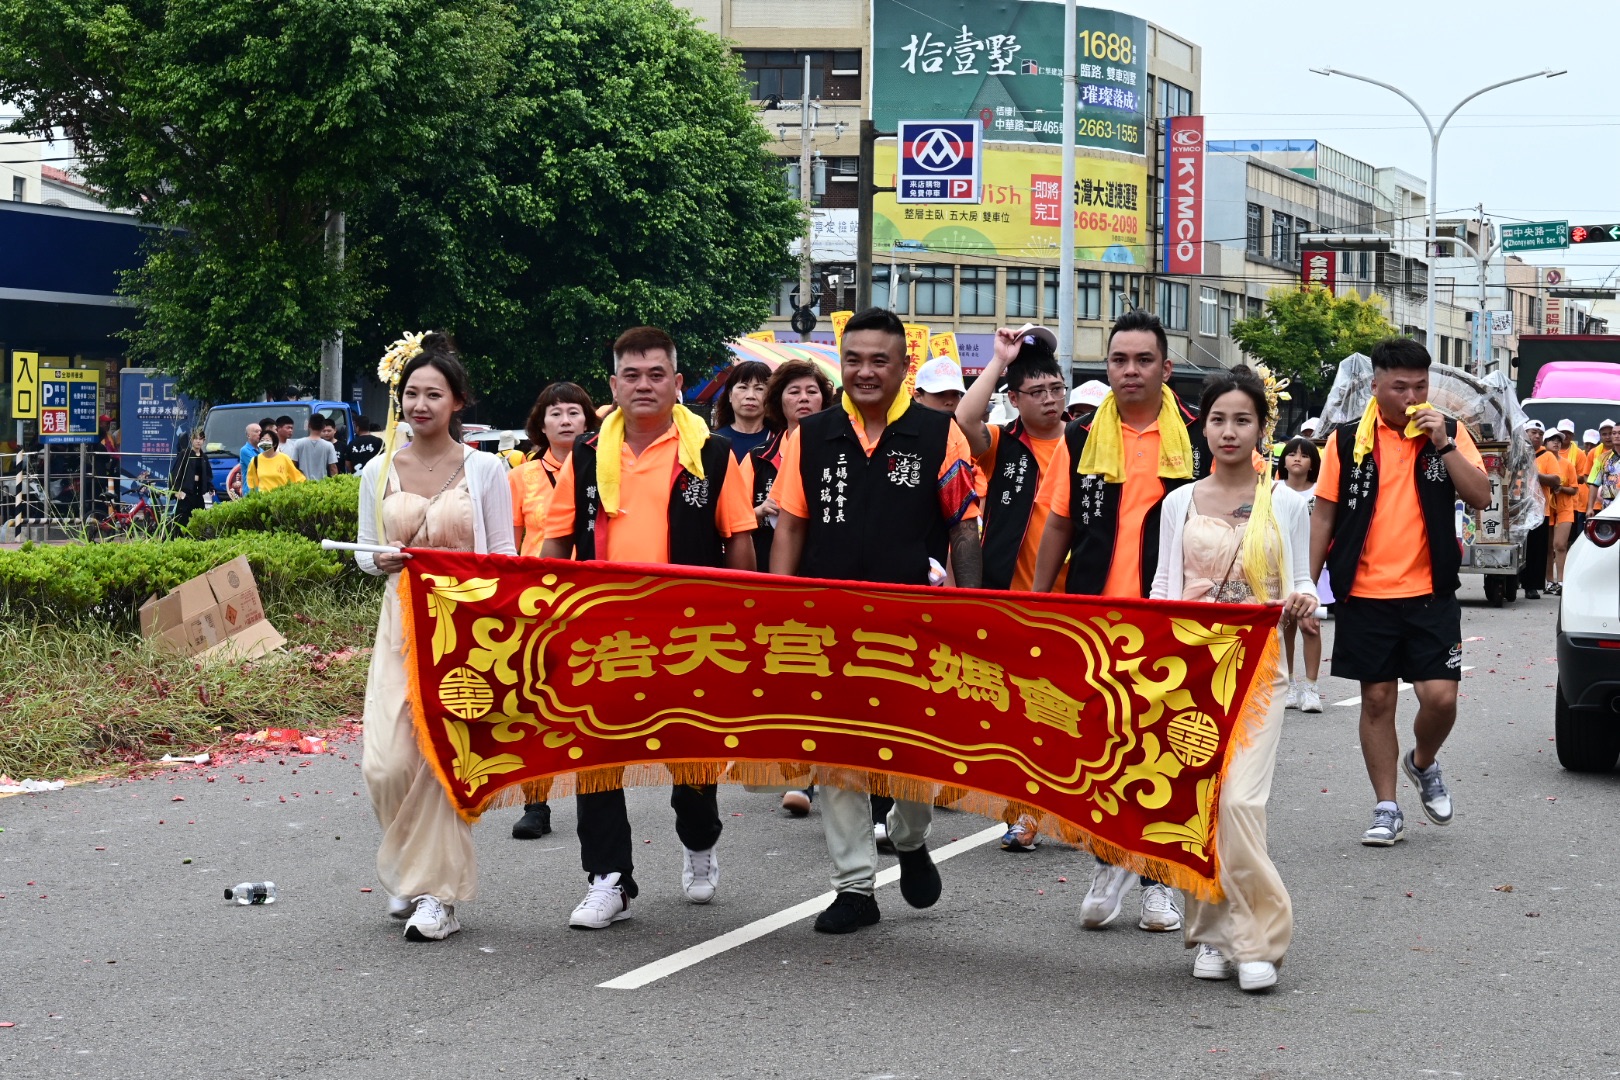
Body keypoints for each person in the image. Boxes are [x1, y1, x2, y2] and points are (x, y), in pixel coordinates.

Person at [768, 306, 982, 935]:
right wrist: (780, 610)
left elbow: (962, 526)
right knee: (835, 753)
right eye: (853, 359)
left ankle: (910, 839)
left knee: (911, 753)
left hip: (910, 621)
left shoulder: (939, 434)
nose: (864, 371)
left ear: (903, 368)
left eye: (878, 361)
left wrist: (967, 611)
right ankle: (854, 886)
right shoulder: (811, 435)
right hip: (825, 622)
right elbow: (792, 527)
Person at [541, 326, 757, 930]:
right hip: (602, 633)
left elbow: (739, 543)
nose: (643, 385)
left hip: (690, 637)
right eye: (631, 375)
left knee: (691, 760)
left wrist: (744, 620)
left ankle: (700, 838)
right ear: (613, 384)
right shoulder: (584, 456)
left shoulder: (711, 454)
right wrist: (547, 615)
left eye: (656, 374)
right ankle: (609, 877)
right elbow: (557, 541)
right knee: (596, 753)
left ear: (678, 382)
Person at [1030, 309, 1209, 934]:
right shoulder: (1079, 440)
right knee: (1102, 751)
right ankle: (1111, 859)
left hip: (1176, 617)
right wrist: (1036, 601)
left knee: (1164, 750)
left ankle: (1157, 882)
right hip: (1096, 617)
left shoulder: (1201, 437)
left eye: (1142, 360)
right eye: (1118, 360)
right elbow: (1058, 524)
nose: (1130, 371)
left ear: (1165, 366)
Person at [1152, 366, 1314, 993]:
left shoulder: (1289, 502)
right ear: (1204, 424)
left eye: (1242, 419)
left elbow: (1301, 581)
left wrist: (1302, 601)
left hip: (1260, 671)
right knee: (1203, 806)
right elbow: (1162, 589)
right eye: (1218, 418)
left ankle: (1256, 939)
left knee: (1242, 802)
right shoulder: (1178, 502)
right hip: (1190, 673)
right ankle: (1214, 935)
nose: (1229, 431)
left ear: (1260, 427)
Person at [354, 332, 515, 942]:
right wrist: (383, 562)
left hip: (466, 629)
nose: (420, 405)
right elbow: (365, 553)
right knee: (385, 763)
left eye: (433, 394)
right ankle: (411, 865)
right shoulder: (376, 469)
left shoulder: (486, 469)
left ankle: (436, 896)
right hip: (401, 623)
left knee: (445, 760)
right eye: (411, 394)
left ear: (457, 403)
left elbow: (505, 553)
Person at [1309, 337, 1491, 848]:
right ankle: (1386, 806)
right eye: (1399, 386)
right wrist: (1308, 584)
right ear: (1375, 386)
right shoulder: (1346, 442)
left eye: (1420, 385)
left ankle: (1423, 761)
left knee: (1441, 698)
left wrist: (1445, 444)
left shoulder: (1449, 432)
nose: (1412, 397)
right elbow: (1323, 516)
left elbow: (1479, 496)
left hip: (1431, 592)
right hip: (1365, 595)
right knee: (1377, 700)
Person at [954, 323, 1067, 852]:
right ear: (1015, 399)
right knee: (1021, 712)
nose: (1049, 400)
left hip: (1080, 602)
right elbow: (965, 418)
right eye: (1037, 392)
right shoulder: (1003, 445)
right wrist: (998, 361)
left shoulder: (1090, 445)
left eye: (1056, 389)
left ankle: (1072, 809)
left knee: (1076, 711)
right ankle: (1023, 812)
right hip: (1018, 602)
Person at [737, 358, 836, 819]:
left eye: (811, 391)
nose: (803, 399)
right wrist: (765, 508)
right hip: (774, 572)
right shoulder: (757, 457)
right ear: (780, 402)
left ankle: (826, 775)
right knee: (793, 676)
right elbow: (736, 518)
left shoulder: (842, 446)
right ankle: (800, 774)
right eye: (793, 391)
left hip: (830, 572)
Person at [506, 381, 597, 842]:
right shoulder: (519, 476)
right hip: (535, 604)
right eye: (556, 413)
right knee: (535, 703)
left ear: (588, 420)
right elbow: (509, 540)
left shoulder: (603, 469)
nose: (565, 421)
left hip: (592, 603)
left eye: (574, 413)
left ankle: (594, 795)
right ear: (540, 424)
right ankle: (535, 802)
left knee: (587, 702)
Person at [1275, 436, 1324, 713]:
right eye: (1291, 454)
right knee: (1288, 625)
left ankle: (1311, 688)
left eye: (1304, 455)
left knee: (1310, 625)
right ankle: (1290, 684)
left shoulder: (1319, 492)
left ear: (1312, 463)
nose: (1296, 458)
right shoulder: (1273, 490)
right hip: (1283, 566)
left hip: (1312, 566)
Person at [1519, 420, 1557, 600]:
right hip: (1517, 508)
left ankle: (1532, 586)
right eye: (1533, 432)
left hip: (1539, 510)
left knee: (1536, 548)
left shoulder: (1547, 456)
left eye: (1540, 434)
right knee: (1518, 546)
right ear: (1524, 433)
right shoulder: (1516, 453)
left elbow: (1556, 480)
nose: (1537, 436)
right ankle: (1514, 579)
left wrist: (1534, 473)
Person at [711, 360, 774, 461]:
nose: (750, 396)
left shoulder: (779, 442)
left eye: (759, 389)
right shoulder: (713, 442)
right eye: (743, 387)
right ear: (730, 395)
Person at [1541, 429, 1579, 594]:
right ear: (1545, 443)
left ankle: (1562, 581)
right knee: (1548, 546)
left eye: (1558, 440)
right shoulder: (1539, 461)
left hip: (1564, 508)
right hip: (1547, 508)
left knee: (1560, 545)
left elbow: (1574, 489)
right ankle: (1549, 582)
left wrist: (1560, 488)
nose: (1556, 442)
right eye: (1552, 440)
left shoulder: (1567, 464)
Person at [169, 429, 217, 526]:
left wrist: (210, 488)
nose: (198, 441)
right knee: (182, 520)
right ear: (191, 440)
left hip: (198, 493)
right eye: (195, 438)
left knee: (199, 520)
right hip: (186, 493)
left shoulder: (204, 457)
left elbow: (208, 475)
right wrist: (176, 490)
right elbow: (176, 473)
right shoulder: (185, 454)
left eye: (200, 439)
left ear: (204, 441)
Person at [288, 415, 339, 479]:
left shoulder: (299, 443)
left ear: (309, 425)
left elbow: (292, 465)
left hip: (303, 484)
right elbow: (333, 468)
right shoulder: (328, 445)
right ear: (323, 427)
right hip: (322, 484)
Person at [1588, 421, 1620, 515]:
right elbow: (1594, 484)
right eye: (1614, 433)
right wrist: (1590, 507)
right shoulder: (1602, 458)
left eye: (1619, 433)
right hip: (1608, 506)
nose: (1616, 436)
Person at [237, 422, 262, 493]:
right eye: (256, 431)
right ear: (248, 435)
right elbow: (258, 467)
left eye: (261, 431)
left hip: (262, 490)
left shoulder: (262, 449)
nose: (260, 433)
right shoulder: (245, 450)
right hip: (250, 491)